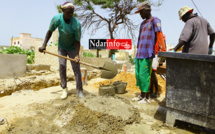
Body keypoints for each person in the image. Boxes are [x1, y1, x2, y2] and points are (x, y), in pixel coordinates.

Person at [39, 1, 84, 99]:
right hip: (62, 47)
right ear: (62, 10)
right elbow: (50, 32)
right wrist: (44, 45)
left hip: (72, 48)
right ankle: (64, 89)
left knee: (76, 69)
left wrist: (77, 55)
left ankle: (79, 90)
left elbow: (77, 41)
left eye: (72, 13)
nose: (70, 15)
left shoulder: (76, 24)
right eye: (68, 12)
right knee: (62, 67)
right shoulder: (56, 19)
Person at [132, 2, 166, 104]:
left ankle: (147, 97)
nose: (140, 14)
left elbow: (159, 35)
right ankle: (142, 95)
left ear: (147, 10)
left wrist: (163, 51)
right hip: (139, 53)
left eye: (141, 12)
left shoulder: (155, 20)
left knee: (144, 75)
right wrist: (136, 52)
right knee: (138, 75)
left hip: (147, 53)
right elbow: (139, 39)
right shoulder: (142, 24)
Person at [150, 34, 166, 98]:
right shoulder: (152, 33)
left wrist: (162, 59)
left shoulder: (160, 34)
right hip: (152, 54)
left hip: (156, 54)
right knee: (151, 73)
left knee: (153, 73)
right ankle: (151, 91)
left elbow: (164, 47)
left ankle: (157, 91)